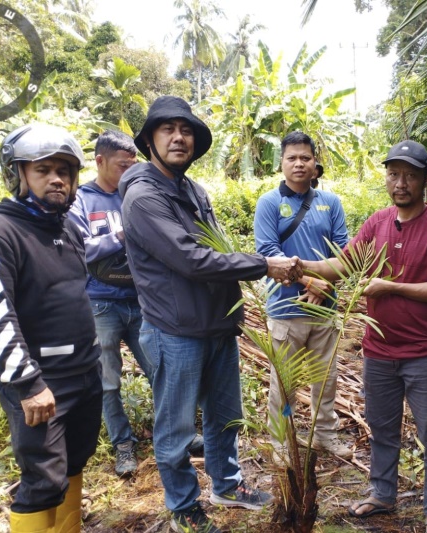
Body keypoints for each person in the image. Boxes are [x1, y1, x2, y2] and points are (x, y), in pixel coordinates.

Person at [119, 96, 301, 533]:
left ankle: (227, 485)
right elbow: (191, 259)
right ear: (150, 140)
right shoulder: (143, 197)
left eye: (186, 130)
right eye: (168, 129)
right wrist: (263, 264)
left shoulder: (192, 190)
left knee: (226, 416)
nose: (179, 137)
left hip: (216, 324)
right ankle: (184, 508)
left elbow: (217, 247)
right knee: (176, 429)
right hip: (175, 329)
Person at [302, 140, 427, 533]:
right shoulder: (377, 222)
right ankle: (381, 493)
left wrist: (391, 287)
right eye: (393, 174)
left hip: (425, 352)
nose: (400, 183)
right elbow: (343, 264)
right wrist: (298, 265)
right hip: (379, 350)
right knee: (382, 428)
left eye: (410, 175)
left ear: (426, 179)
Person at [0, 124, 101, 533]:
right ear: (17, 174)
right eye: (43, 170)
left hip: (85, 372)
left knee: (74, 462)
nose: (57, 179)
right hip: (41, 382)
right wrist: (27, 383)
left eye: (65, 170)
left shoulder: (66, 226)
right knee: (43, 481)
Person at [253, 132, 351, 461]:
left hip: (325, 310)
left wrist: (327, 285)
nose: (299, 163)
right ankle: (282, 443)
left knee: (327, 379)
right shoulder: (269, 203)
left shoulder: (331, 203)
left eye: (305, 157)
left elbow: (344, 253)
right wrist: (312, 281)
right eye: (292, 158)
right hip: (285, 310)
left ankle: (324, 435)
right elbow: (269, 253)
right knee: (285, 383)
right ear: (281, 163)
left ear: (315, 163)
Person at [68, 130, 154, 477]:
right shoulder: (81, 200)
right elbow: (80, 250)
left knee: (161, 369)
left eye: (133, 165)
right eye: (122, 166)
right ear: (100, 161)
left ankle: (174, 433)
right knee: (107, 381)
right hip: (100, 304)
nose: (129, 172)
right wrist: (120, 236)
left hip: (142, 301)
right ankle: (123, 445)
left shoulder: (136, 195)